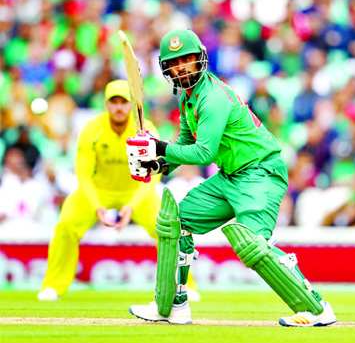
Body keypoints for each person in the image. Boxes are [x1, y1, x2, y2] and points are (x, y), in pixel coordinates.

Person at [126, 29, 337, 327]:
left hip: (260, 173)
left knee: (252, 243)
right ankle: (173, 306)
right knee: (175, 222)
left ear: (200, 58)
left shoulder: (212, 98)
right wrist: (159, 164)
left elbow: (202, 154)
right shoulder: (189, 99)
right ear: (166, 68)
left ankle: (317, 309)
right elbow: (186, 144)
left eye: (187, 59)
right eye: (175, 62)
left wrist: (158, 146)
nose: (182, 67)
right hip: (229, 177)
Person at [37, 80, 199, 301]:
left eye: (124, 101)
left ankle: (185, 286)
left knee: (169, 229)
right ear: (106, 104)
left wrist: (132, 205)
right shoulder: (91, 129)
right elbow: (82, 173)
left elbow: (155, 174)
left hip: (138, 193)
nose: (119, 107)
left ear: (132, 105)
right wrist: (97, 206)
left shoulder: (146, 130)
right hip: (97, 191)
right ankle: (53, 285)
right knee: (66, 224)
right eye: (114, 102)